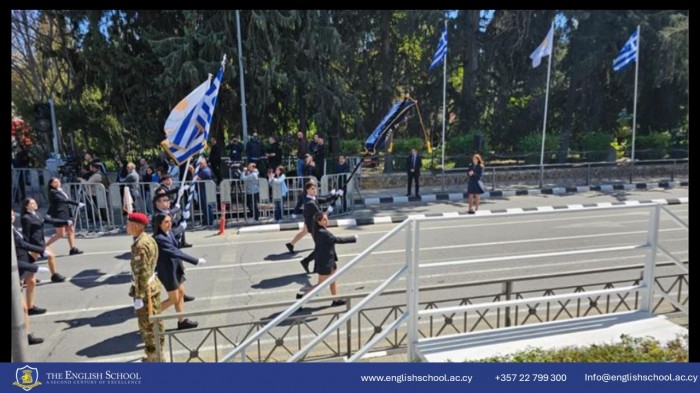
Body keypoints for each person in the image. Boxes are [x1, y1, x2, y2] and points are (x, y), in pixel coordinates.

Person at [152, 213, 204, 330]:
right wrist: (195, 260)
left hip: (176, 269)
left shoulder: (169, 232)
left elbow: (177, 230)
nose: (169, 224)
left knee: (180, 294)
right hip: (167, 272)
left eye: (170, 221)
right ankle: (151, 315)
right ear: (159, 224)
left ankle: (182, 321)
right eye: (166, 222)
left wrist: (183, 220)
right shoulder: (159, 238)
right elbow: (176, 252)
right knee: (173, 299)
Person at [125, 212, 164, 362]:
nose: (126, 227)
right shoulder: (149, 239)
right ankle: (158, 355)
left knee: (147, 326)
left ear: (135, 226)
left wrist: (139, 296)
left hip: (146, 290)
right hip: (152, 286)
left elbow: (142, 272)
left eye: (128, 224)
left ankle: (154, 358)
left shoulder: (140, 245)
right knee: (155, 322)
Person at [296, 212, 357, 306]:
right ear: (319, 221)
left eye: (327, 219)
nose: (327, 221)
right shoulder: (322, 232)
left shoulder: (319, 230)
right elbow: (337, 240)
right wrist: (353, 238)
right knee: (320, 285)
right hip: (325, 263)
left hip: (328, 260)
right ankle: (301, 297)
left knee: (333, 279)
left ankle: (335, 299)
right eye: (324, 220)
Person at [286, 181, 341, 274]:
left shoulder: (313, 198)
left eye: (315, 188)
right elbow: (321, 215)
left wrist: (336, 195)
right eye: (312, 189)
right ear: (307, 190)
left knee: (320, 246)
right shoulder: (309, 202)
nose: (315, 190)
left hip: (314, 225)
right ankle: (307, 261)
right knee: (321, 247)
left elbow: (325, 199)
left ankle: (313, 264)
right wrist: (330, 209)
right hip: (314, 227)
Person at [13, 208, 52, 338]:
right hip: (17, 269)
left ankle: (31, 306)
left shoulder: (13, 229)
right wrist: (35, 268)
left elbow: (23, 244)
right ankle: (26, 336)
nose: (13, 216)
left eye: (13, 213)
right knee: (21, 308)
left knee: (31, 281)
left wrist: (41, 250)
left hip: (23, 264)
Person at [20, 198, 67, 283]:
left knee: (31, 261)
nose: (35, 204)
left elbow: (50, 220)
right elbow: (25, 233)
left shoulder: (38, 214)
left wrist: (65, 222)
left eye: (35, 202)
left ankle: (26, 278)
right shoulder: (26, 218)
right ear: (27, 206)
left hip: (41, 241)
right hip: (34, 243)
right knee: (51, 256)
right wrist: (26, 246)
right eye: (32, 203)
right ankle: (54, 275)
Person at [45, 177, 84, 255]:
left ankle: (72, 248)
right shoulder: (53, 192)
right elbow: (64, 200)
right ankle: (43, 246)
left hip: (66, 212)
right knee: (60, 234)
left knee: (71, 230)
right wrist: (76, 203)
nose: (57, 183)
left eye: (58, 181)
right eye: (55, 182)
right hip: (59, 214)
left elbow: (54, 204)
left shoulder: (60, 190)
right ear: (51, 184)